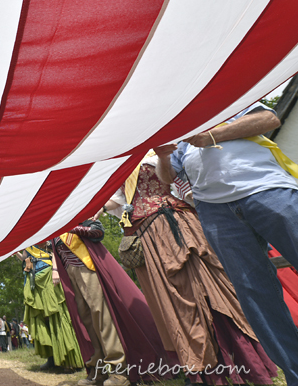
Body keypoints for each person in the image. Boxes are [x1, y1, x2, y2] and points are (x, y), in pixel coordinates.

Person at [156, 101, 298, 386]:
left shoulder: (230, 100)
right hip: (215, 212)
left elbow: (269, 119)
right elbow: (166, 178)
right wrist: (161, 156)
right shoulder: (180, 139)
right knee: (257, 300)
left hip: (268, 189)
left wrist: (210, 136)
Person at [104, 152, 276, 385]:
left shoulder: (159, 152)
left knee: (204, 290)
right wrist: (88, 200)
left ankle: (242, 360)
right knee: (172, 301)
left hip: (176, 225)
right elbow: (114, 202)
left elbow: (178, 181)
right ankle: (201, 369)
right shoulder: (119, 165)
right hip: (147, 237)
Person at [53, 219, 173, 386]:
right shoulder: (53, 221)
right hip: (70, 273)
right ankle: (98, 369)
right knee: (86, 321)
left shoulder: (78, 210)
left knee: (100, 315)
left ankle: (119, 370)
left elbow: (97, 231)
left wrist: (71, 226)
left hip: (87, 268)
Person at [15, 242, 83, 372]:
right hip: (32, 278)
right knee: (43, 318)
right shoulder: (25, 238)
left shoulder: (44, 227)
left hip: (48, 274)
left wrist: (55, 270)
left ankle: (68, 360)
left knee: (57, 315)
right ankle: (52, 358)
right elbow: (25, 258)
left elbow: (54, 251)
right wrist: (14, 252)